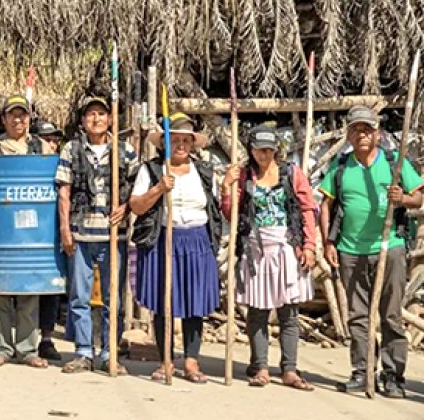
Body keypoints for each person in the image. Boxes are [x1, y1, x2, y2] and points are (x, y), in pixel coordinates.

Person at [320, 105, 423, 398]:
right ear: (349, 135)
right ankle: (363, 371)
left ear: (376, 134)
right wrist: (329, 242)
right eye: (356, 129)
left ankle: (393, 376)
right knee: (358, 316)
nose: (362, 134)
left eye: (367, 129)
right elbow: (325, 205)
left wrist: (402, 198)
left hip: (389, 248)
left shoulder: (395, 163)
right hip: (351, 250)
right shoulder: (340, 168)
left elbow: (418, 198)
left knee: (390, 315)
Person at [220, 125, 317, 390]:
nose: (263, 154)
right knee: (258, 311)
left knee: (288, 312)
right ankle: (260, 366)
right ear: (251, 150)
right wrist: (226, 188)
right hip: (255, 249)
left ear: (276, 149)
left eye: (268, 149)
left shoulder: (291, 174)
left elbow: (308, 208)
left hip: (287, 247)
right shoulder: (243, 176)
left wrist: (309, 245)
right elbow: (232, 214)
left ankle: (290, 369)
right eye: (258, 149)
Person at [130, 113, 221, 384]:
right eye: (175, 140)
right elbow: (136, 206)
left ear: (193, 144)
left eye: (185, 140)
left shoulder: (203, 172)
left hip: (196, 240)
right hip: (163, 238)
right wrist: (159, 189)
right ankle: (165, 361)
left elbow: (215, 208)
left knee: (195, 303)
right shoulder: (151, 170)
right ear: (165, 144)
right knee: (163, 302)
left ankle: (191, 362)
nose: (180, 145)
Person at [56, 97, 138, 374]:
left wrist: (125, 208)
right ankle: (82, 351)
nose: (96, 119)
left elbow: (137, 189)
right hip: (80, 234)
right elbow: (64, 191)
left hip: (114, 234)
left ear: (110, 119)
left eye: (101, 114)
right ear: (83, 120)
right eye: (91, 114)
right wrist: (65, 229)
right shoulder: (72, 149)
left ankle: (108, 352)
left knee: (112, 298)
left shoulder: (124, 151)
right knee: (79, 295)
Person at [0, 94, 53, 369]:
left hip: (33, 227)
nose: (18, 119)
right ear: (3, 118)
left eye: (23, 114)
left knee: (30, 287)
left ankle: (28, 349)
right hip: (0, 225)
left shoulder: (41, 147)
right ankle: (1, 347)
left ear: (29, 118)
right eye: (12, 115)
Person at [35, 120, 67, 363]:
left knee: (52, 287)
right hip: (29, 233)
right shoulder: (27, 165)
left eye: (56, 139)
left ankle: (46, 338)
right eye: (47, 139)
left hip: (54, 231)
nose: (52, 144)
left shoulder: (63, 164)